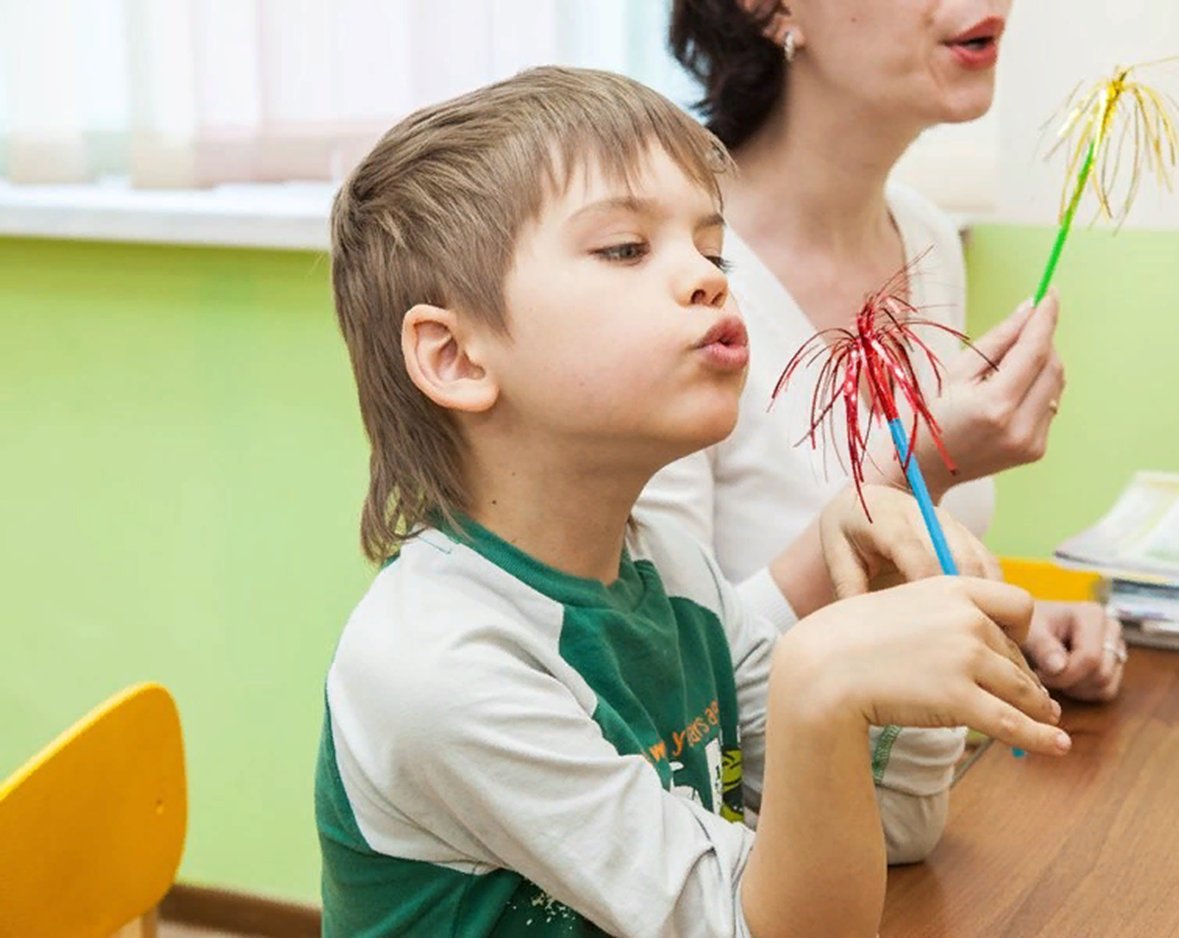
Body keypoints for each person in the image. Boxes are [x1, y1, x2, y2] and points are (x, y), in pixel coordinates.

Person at [314, 66, 1068, 936]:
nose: (708, 279)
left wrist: (907, 605)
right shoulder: (439, 669)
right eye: (625, 250)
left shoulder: (668, 576)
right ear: (456, 358)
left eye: (712, 250)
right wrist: (818, 678)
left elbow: (889, 830)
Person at [647, 0, 1126, 701]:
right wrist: (913, 475)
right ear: (768, 9)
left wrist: (1010, 621)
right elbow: (680, 683)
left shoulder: (925, 238)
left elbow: (898, 595)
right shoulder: (673, 279)